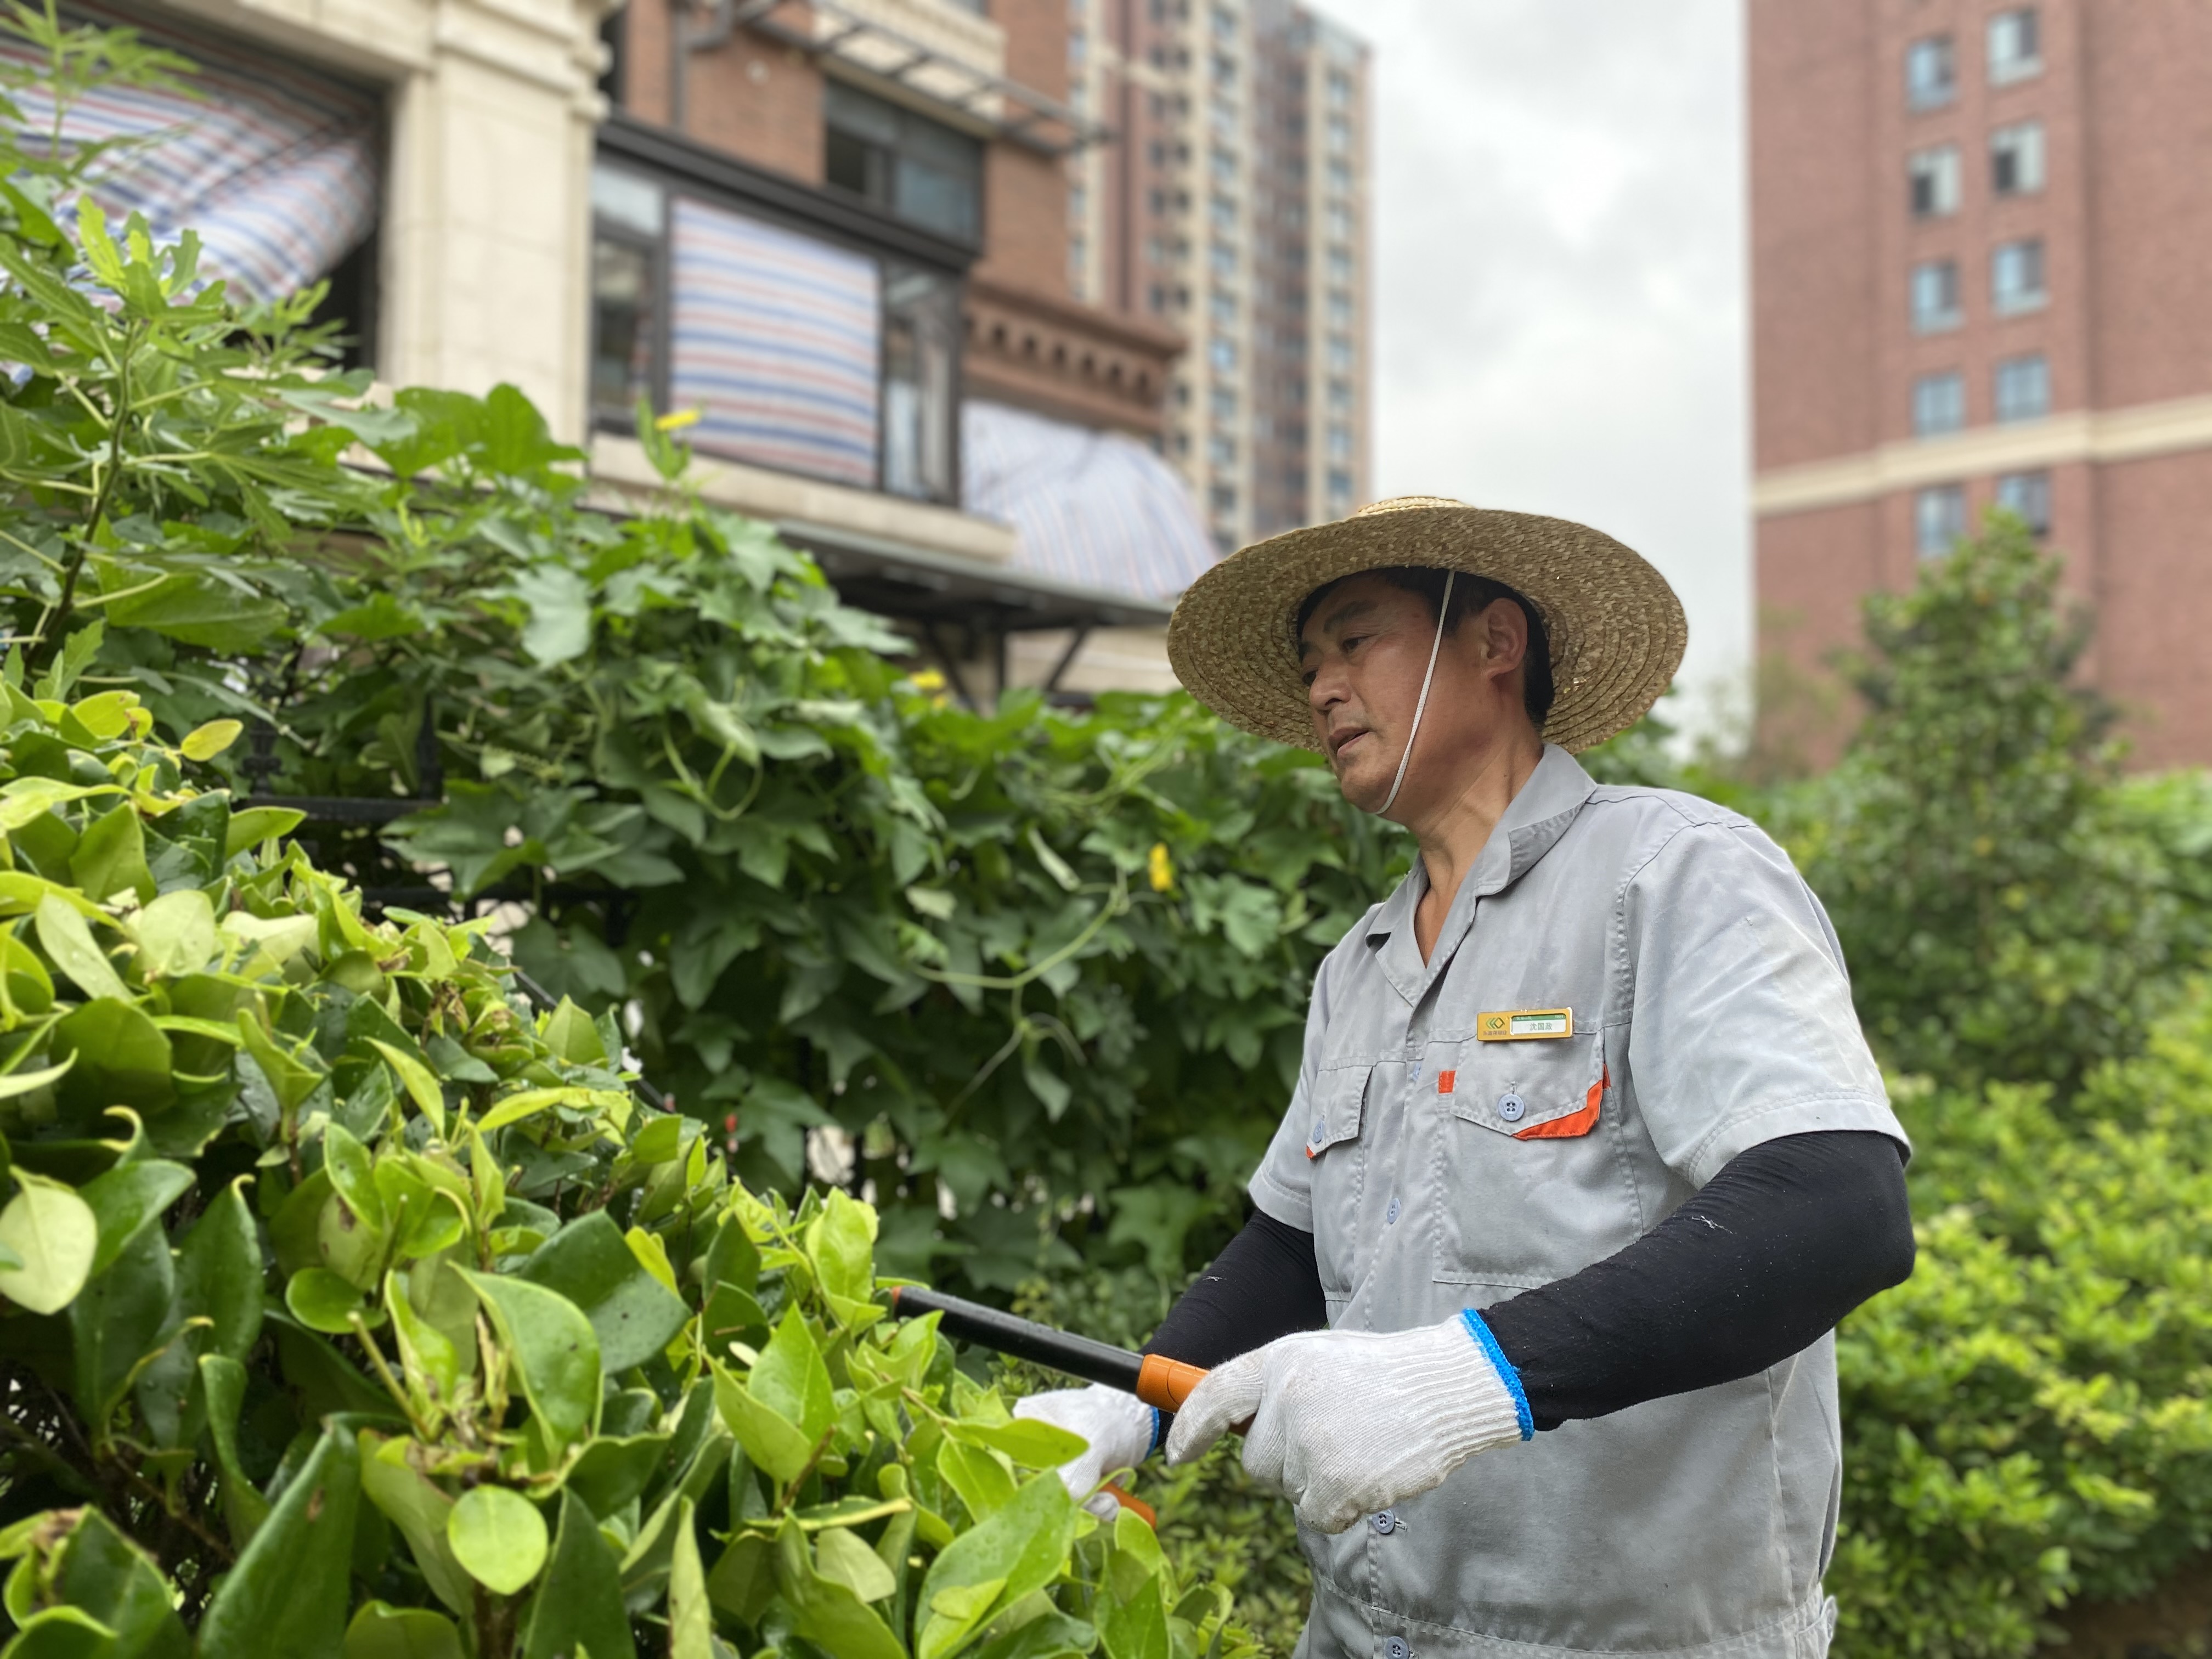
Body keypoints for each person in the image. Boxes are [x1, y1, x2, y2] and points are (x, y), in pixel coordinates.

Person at [1015, 498, 1914, 1659]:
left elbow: (1837, 1208)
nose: (1324, 688)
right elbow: (1288, 1253)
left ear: (1496, 643)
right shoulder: (1361, 969)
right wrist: (1130, 1404)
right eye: (1308, 665)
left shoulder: (1675, 877)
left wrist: (1475, 1378)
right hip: (1364, 1629)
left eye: (1355, 639)